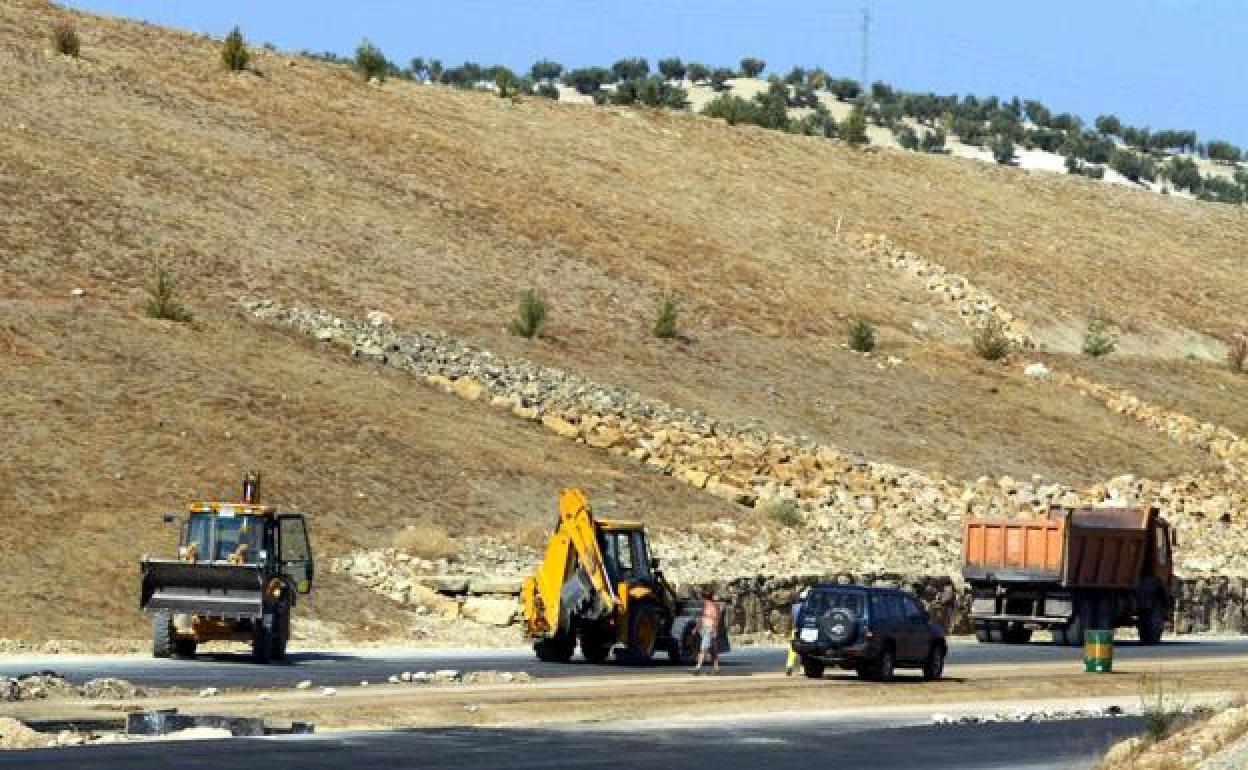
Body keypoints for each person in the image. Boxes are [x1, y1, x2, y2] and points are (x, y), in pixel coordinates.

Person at [692, 589, 721, 675]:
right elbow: (701, 618)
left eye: (702, 597)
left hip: (709, 629)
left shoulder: (712, 607)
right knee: (712, 650)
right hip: (704, 629)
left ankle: (698, 667)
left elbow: (716, 619)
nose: (701, 599)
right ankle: (716, 667)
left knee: (703, 649)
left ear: (705, 598)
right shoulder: (705, 606)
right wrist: (696, 628)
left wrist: (714, 629)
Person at [785, 589, 808, 676]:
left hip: (795, 630)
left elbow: (790, 620)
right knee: (805, 649)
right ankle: (802, 668)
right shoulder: (808, 607)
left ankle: (789, 666)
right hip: (804, 630)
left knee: (792, 649)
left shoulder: (794, 607)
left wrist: (788, 630)